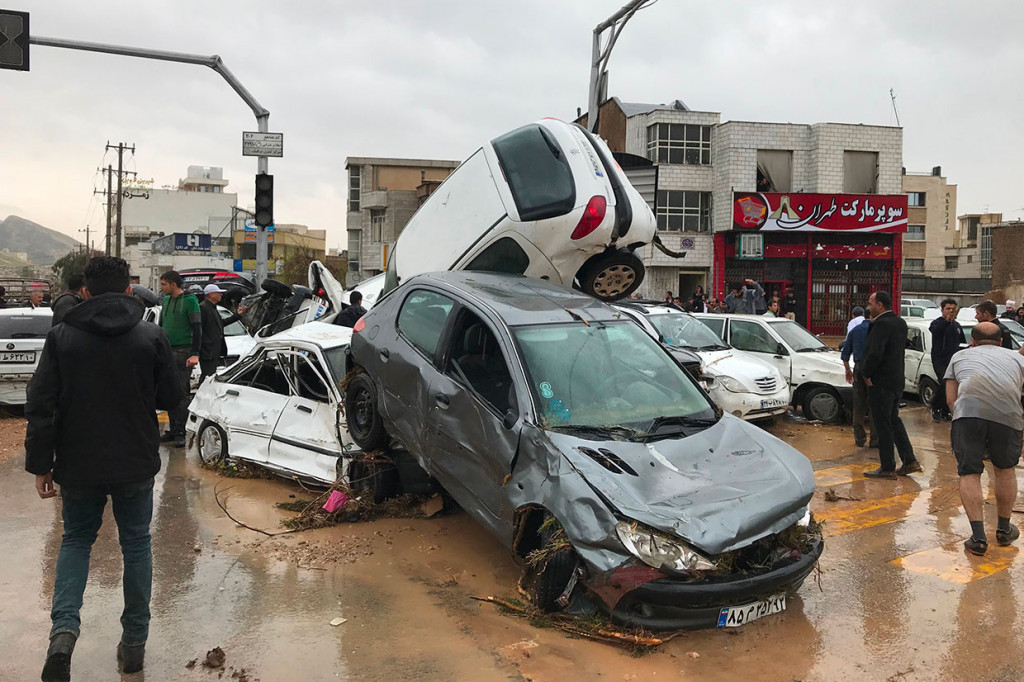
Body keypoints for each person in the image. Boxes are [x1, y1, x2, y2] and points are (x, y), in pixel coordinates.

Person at [25, 256, 183, 679]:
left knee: (76, 540)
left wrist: (41, 464)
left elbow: (40, 403)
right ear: (129, 290)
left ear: (86, 293)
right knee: (136, 545)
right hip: (135, 460)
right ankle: (133, 646)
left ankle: (62, 636)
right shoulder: (152, 336)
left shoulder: (61, 338)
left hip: (77, 462)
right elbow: (172, 397)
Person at [945, 322, 1024, 555]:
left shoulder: (959, 357)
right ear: (1001, 341)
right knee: (1005, 469)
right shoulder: (1017, 359)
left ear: (973, 341)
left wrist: (960, 419)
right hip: (1008, 416)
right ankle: (1003, 529)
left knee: (969, 472)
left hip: (968, 414)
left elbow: (951, 399)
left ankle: (978, 538)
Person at [860, 291, 922, 478]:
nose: (868, 308)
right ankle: (909, 460)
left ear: (880, 305)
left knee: (883, 424)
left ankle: (887, 466)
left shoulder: (881, 324)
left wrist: (866, 373)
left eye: (870, 304)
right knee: (893, 421)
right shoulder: (899, 323)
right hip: (896, 381)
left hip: (881, 382)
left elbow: (875, 352)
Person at [158, 271, 201, 448]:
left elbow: (197, 328)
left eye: (163, 284)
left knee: (181, 392)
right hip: (167, 350)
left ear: (173, 284)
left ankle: (181, 431)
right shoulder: (166, 301)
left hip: (184, 351)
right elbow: (161, 326)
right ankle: (173, 429)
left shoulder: (191, 301)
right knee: (168, 390)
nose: (161, 288)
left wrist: (195, 353)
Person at [198, 284, 246, 382]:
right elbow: (198, 330)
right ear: (211, 294)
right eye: (218, 293)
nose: (221, 295)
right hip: (207, 351)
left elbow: (220, 324)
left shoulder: (213, 307)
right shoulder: (203, 308)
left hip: (214, 350)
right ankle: (203, 393)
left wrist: (237, 315)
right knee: (207, 376)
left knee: (210, 375)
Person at [842, 310, 876, 448]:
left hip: (858, 367)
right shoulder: (877, 330)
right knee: (875, 404)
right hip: (875, 369)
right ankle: (875, 439)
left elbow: (844, 355)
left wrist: (848, 371)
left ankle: (860, 438)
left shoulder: (855, 331)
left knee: (859, 404)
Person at [928, 298, 965, 422]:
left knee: (952, 386)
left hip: (954, 359)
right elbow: (935, 331)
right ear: (942, 310)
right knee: (945, 382)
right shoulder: (937, 323)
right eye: (948, 309)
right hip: (940, 359)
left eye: (952, 309)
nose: (950, 311)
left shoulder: (957, 325)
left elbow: (962, 342)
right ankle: (936, 406)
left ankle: (945, 410)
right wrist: (947, 321)